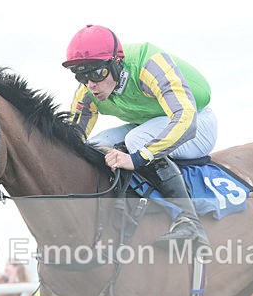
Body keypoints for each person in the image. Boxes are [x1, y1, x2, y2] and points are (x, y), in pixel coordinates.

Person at [62, 24, 216, 247]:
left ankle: (190, 221)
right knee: (95, 145)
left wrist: (136, 158)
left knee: (137, 141)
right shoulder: (87, 92)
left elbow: (185, 119)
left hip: (197, 122)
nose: (91, 84)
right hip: (149, 124)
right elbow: (72, 141)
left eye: (96, 73)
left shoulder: (150, 65)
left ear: (116, 63)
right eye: (81, 76)